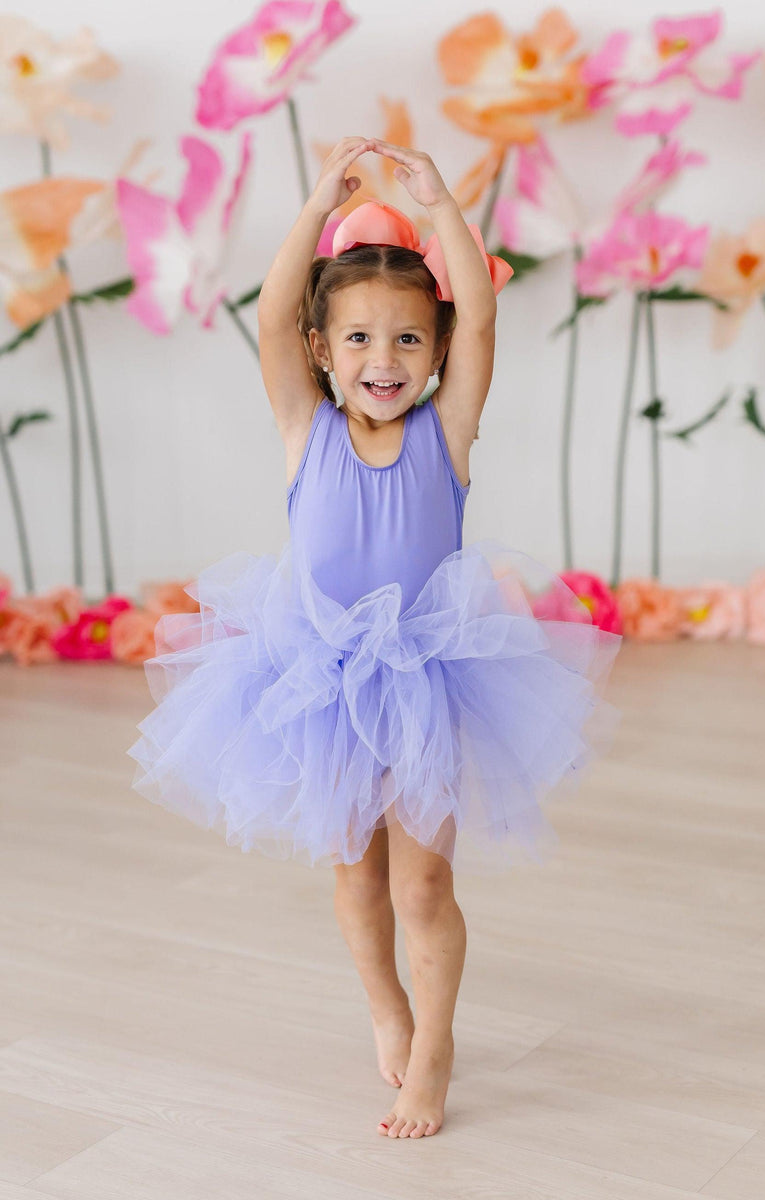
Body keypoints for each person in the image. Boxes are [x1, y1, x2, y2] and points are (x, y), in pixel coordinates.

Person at [128, 135, 623, 1140]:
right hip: (319, 679)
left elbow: (481, 311)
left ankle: (433, 1048)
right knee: (355, 877)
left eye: (406, 340)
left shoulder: (448, 434)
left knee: (423, 880)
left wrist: (439, 207)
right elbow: (270, 313)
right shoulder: (302, 429)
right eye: (356, 339)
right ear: (320, 350)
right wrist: (316, 205)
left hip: (428, 679)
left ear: (436, 351)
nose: (382, 360)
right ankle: (385, 1003)